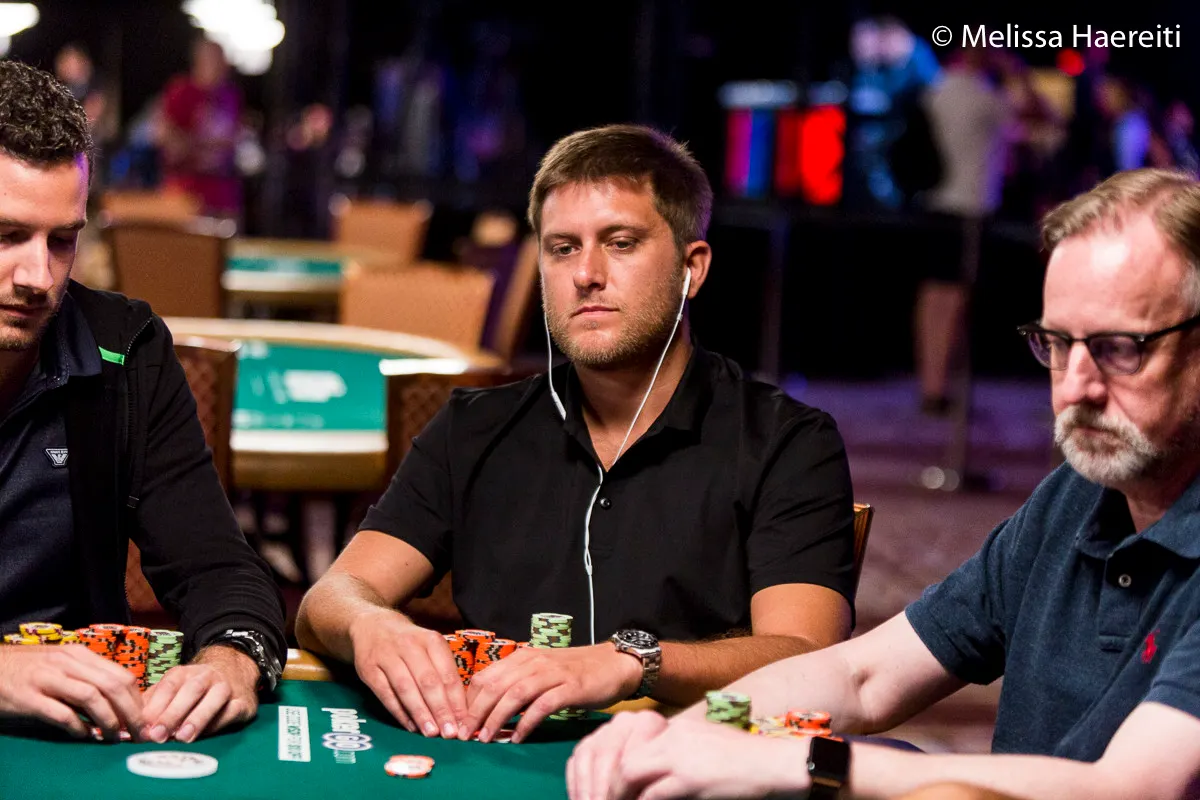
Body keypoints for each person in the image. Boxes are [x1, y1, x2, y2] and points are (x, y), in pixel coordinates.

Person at [569, 167, 1200, 799]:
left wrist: (803, 762)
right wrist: (690, 732)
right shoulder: (1074, 497)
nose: (1076, 387)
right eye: (1058, 344)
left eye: (1120, 348)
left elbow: (1133, 789)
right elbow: (864, 678)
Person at [296, 124, 857, 745]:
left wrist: (631, 661)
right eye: (562, 248)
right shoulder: (473, 428)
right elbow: (331, 598)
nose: (586, 273)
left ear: (691, 269)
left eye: (621, 243)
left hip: (690, 764)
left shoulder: (788, 442)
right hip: (497, 762)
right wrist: (370, 623)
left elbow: (807, 658)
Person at [0, 60, 286, 745]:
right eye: (6, 236)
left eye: (62, 240)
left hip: (77, 747)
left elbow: (218, 568)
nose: (38, 276)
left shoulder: (126, 350)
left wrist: (232, 660)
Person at [913, 47, 1015, 415]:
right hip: (970, 207)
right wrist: (1014, 73)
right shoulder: (985, 96)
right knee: (954, 299)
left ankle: (932, 383)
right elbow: (1041, 117)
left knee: (934, 298)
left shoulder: (936, 89)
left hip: (936, 203)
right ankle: (940, 387)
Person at [155, 37, 242, 217]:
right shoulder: (180, 91)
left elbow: (233, 141)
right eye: (217, 61)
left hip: (222, 194)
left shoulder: (230, 95)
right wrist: (204, 145)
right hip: (185, 192)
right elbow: (165, 139)